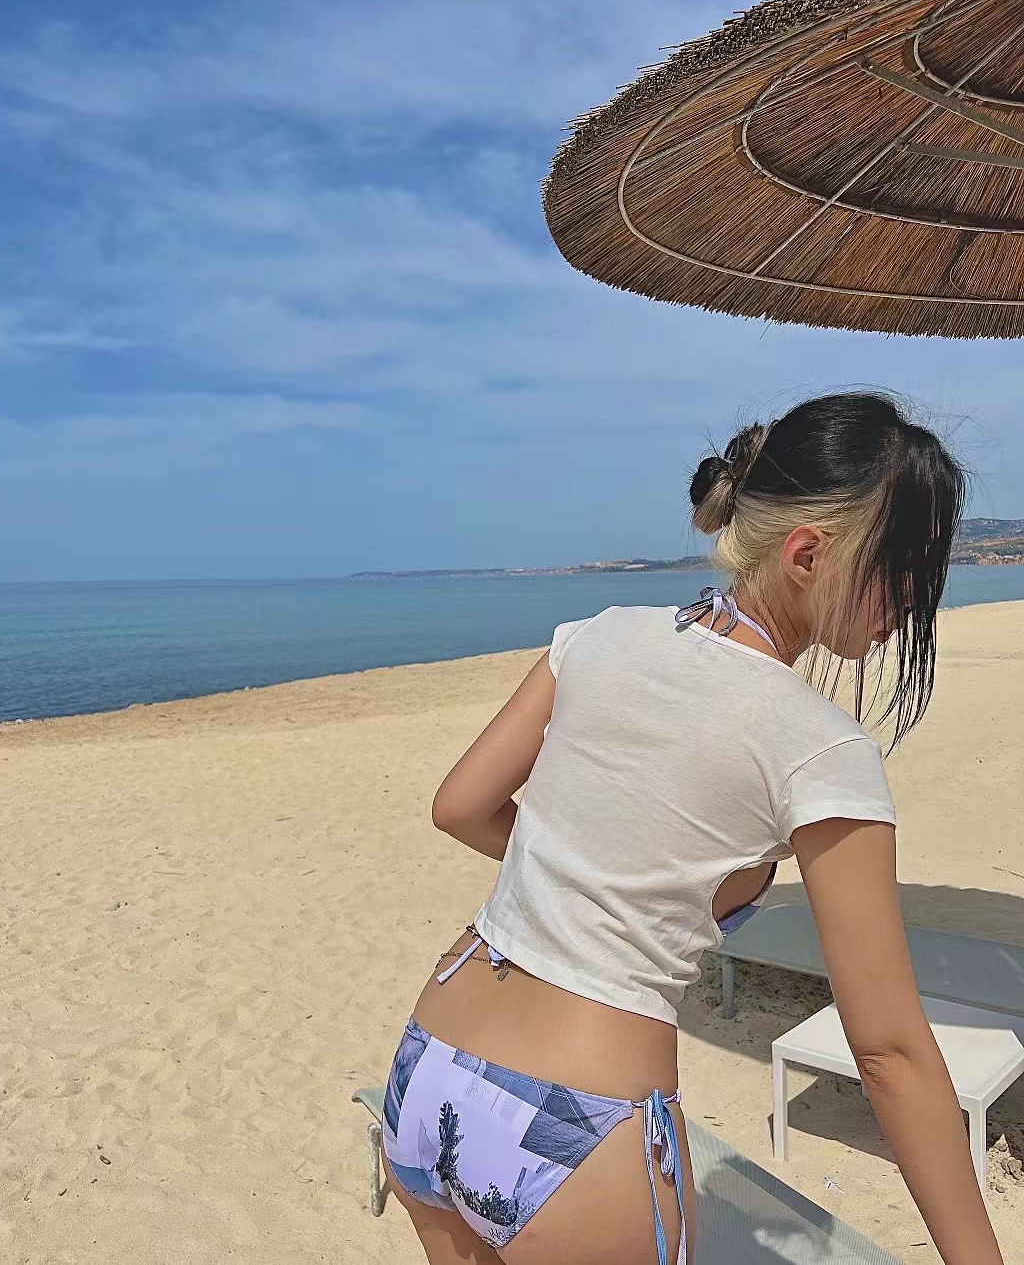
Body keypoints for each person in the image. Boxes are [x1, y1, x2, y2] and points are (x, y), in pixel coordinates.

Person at [379, 392, 1003, 1265]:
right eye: (904, 567)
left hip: (431, 1059)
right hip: (577, 1122)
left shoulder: (598, 636)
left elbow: (460, 806)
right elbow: (891, 1054)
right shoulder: (821, 750)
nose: (914, 600)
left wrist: (593, 877)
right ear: (808, 553)